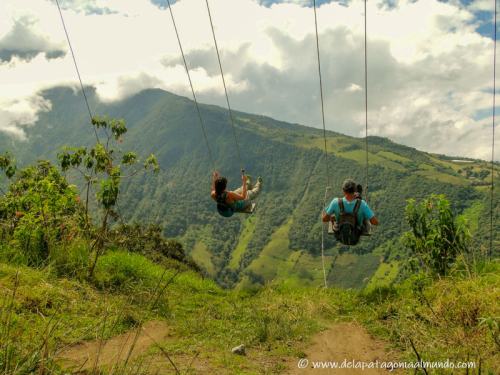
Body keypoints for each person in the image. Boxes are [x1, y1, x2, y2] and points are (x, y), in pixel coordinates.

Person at [323, 179, 379, 243]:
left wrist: (333, 217)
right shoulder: (362, 204)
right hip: (355, 235)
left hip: (341, 234)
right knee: (359, 205)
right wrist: (366, 217)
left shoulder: (335, 202)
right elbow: (375, 223)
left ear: (343, 189)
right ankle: (358, 195)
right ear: (355, 190)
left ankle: (357, 197)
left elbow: (324, 219)